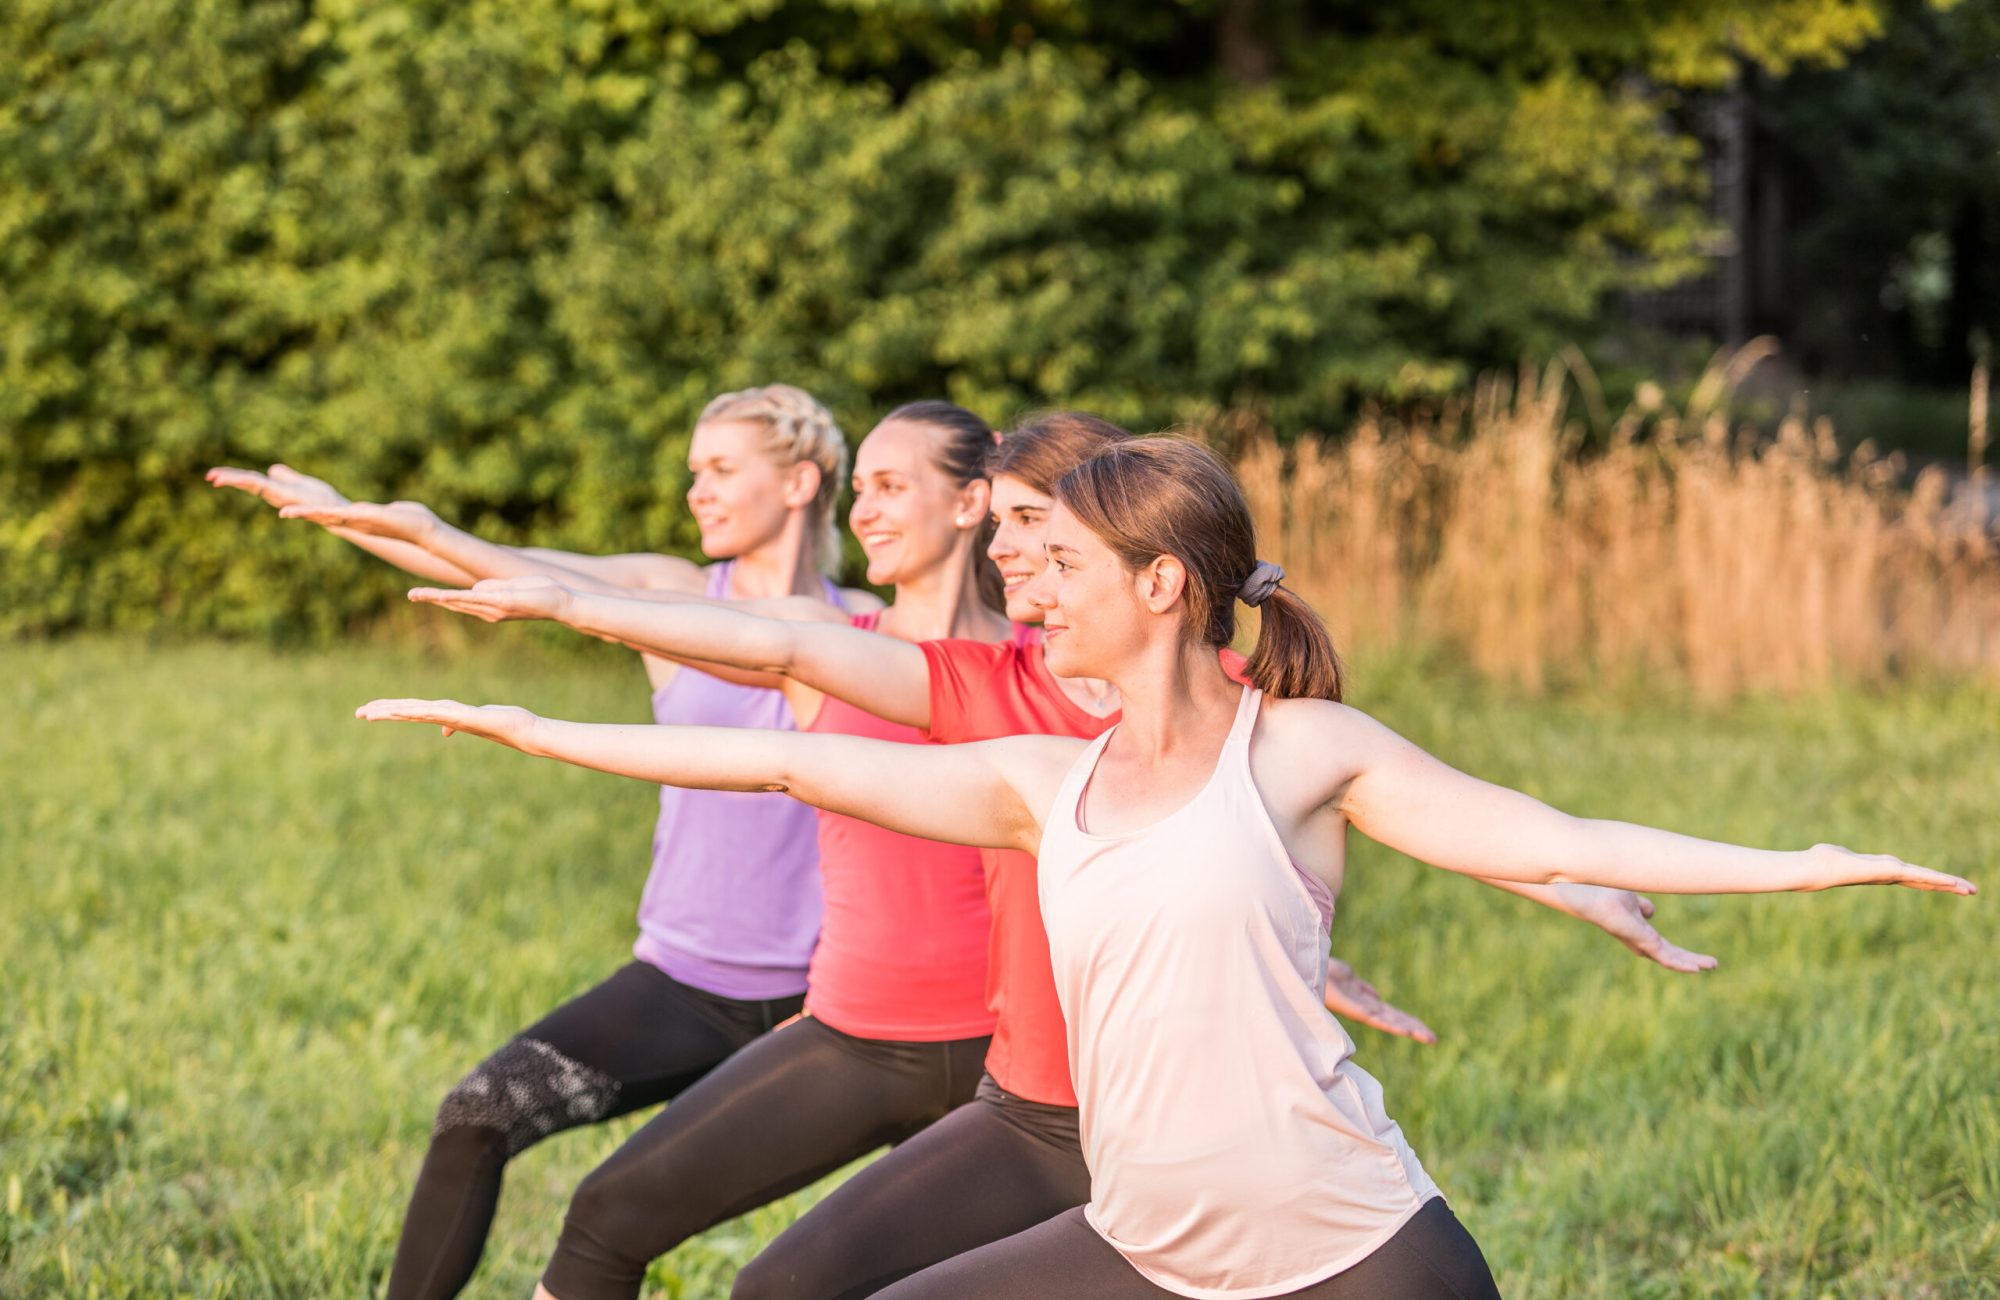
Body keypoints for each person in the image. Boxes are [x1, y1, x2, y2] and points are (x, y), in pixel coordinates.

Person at [355, 436, 1928, 1297]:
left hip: (1353, 1259)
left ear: (1164, 584)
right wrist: (525, 721)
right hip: (1141, 1246)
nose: (1023, 589)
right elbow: (779, 749)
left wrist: (1804, 859)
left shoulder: (1302, 752)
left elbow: (1557, 835)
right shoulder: (1044, 779)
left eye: (1060, 565)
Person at [210, 384, 866, 1300]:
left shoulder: (872, 629)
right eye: (692, 473)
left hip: (836, 1007)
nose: (697, 493)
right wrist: (342, 516)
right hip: (687, 986)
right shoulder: (666, 594)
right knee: (477, 1113)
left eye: (721, 469)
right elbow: (502, 566)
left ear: (800, 481)